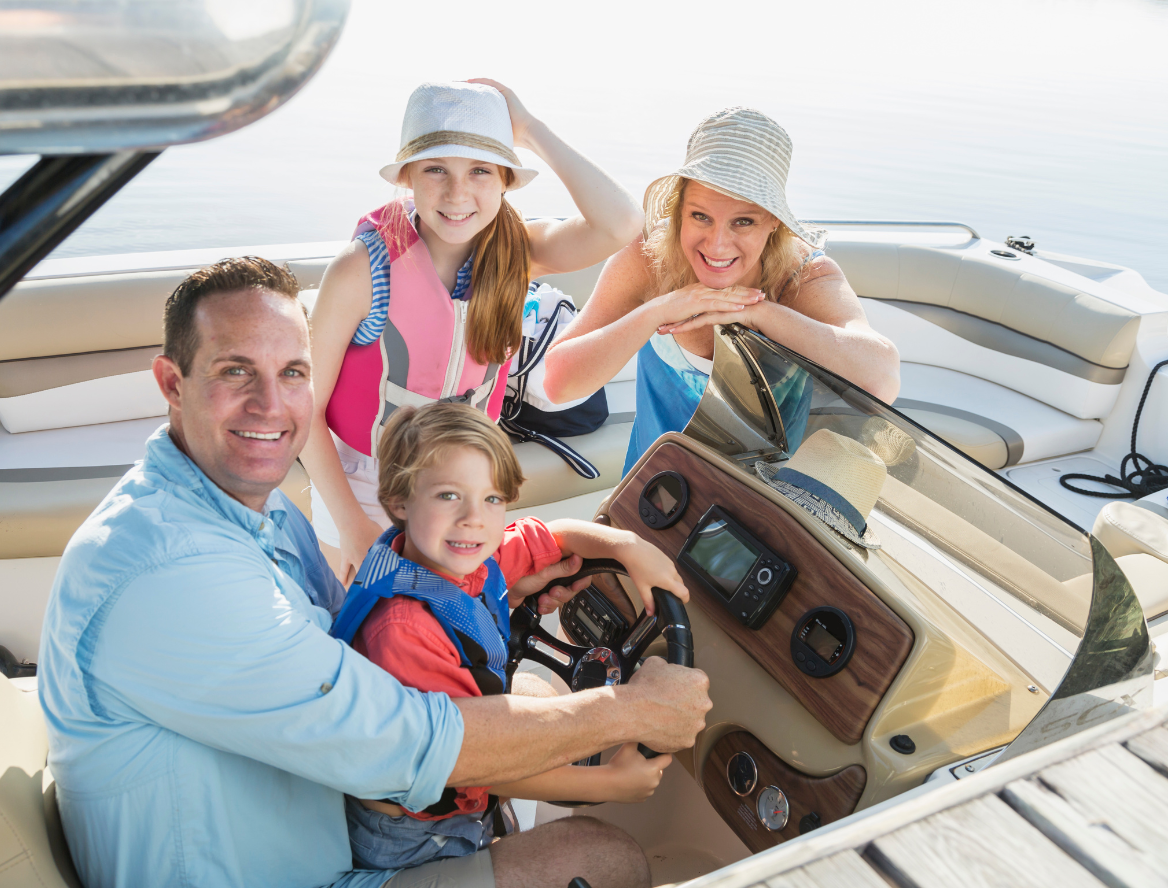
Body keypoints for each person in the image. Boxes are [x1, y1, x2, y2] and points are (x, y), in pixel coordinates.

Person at [37, 257, 712, 888]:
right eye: (235, 372)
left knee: (533, 702)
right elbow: (416, 745)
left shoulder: (253, 513)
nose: (272, 405)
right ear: (171, 384)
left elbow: (360, 651)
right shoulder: (174, 573)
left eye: (294, 373)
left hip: (323, 824)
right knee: (605, 858)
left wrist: (499, 595)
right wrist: (634, 709)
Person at [302, 79, 642, 582]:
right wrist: (353, 525)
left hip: (468, 484)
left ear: (506, 180)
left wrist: (529, 129)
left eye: (480, 171)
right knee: (368, 637)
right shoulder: (362, 267)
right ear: (409, 178)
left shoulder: (517, 252)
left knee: (452, 636)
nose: (457, 193)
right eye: (435, 168)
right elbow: (304, 408)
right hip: (364, 489)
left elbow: (621, 224)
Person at [331, 402, 688, 870]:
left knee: (540, 693)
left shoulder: (471, 559)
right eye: (447, 496)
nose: (474, 519)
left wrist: (627, 547)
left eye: (493, 499)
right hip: (412, 836)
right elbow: (481, 765)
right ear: (398, 501)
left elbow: (556, 536)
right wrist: (609, 784)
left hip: (462, 786)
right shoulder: (402, 630)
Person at [541, 107, 901, 473]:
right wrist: (658, 310)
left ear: (774, 220)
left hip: (765, 505)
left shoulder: (802, 277)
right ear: (679, 208)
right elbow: (557, 384)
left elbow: (882, 380)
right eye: (701, 216)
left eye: (743, 222)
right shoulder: (647, 258)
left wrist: (759, 312)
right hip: (652, 498)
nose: (716, 245)